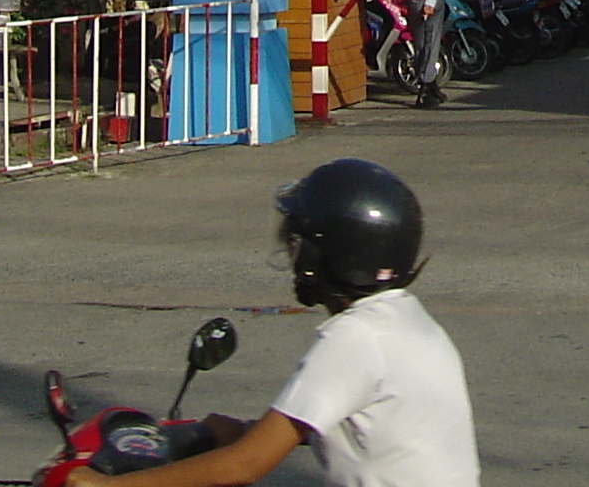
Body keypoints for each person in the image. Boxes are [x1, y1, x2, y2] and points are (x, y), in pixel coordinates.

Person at [68, 159, 479, 487]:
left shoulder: (357, 337)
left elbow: (243, 467)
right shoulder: (407, 322)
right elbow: (329, 422)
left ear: (330, 255)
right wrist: (244, 430)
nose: (293, 257)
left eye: (299, 244)